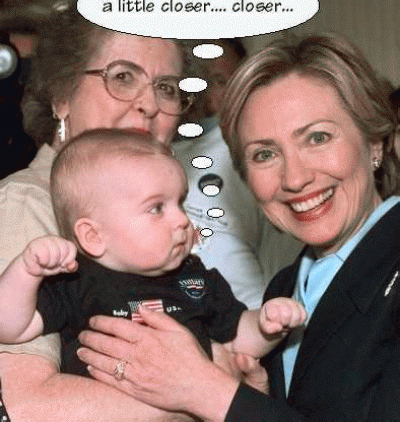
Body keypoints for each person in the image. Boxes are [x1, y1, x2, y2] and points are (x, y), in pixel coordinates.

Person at [77, 33, 400, 422]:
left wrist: (208, 391)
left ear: (374, 141)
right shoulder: (283, 290)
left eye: (318, 138)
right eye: (264, 154)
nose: (295, 178)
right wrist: (256, 395)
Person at [0, 3, 249, 422]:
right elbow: (27, 404)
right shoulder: (28, 203)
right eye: (122, 77)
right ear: (62, 96)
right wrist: (210, 393)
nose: (149, 103)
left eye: (166, 87)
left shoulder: (160, 207)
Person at [0, 128, 306, 381]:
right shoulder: (75, 281)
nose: (182, 220)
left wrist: (266, 325)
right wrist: (26, 271)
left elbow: (238, 336)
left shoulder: (196, 278)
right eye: (156, 208)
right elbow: (12, 327)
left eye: (180, 203)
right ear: (93, 236)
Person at [173, 39, 302, 308]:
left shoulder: (252, 149)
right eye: (198, 78)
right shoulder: (156, 147)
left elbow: (283, 263)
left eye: (219, 80)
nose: (206, 91)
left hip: (247, 313)